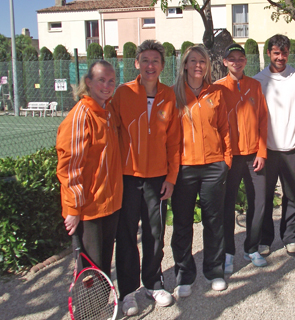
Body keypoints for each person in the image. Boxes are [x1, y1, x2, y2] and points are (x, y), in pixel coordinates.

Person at [112, 40, 181, 316]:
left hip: (157, 178)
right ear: (136, 63)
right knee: (126, 234)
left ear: (162, 66)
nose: (150, 65)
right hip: (128, 177)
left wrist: (172, 177)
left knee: (155, 233)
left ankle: (153, 283)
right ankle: (127, 292)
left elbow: (174, 141)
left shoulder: (169, 95)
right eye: (145, 60)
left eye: (155, 60)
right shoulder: (122, 93)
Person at [171, 45, 232, 296]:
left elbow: (224, 128)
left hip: (213, 167)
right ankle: (184, 275)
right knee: (183, 224)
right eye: (193, 61)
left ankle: (214, 270)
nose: (198, 65)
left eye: (202, 61)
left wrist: (226, 160)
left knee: (214, 221)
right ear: (184, 64)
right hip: (184, 169)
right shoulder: (173, 94)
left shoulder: (216, 92)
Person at [56, 60, 122, 279]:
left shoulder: (107, 111)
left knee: (103, 265)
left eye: (111, 80)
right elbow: (69, 168)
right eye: (101, 80)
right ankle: (89, 311)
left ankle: (102, 308)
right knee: (89, 272)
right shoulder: (80, 116)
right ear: (88, 82)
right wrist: (73, 209)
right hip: (88, 209)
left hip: (109, 205)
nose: (107, 85)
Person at [253, 34, 295, 256]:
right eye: (276, 52)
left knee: (292, 195)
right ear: (269, 53)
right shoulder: (259, 80)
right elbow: (256, 116)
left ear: (288, 53)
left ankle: (290, 238)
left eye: (284, 53)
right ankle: (265, 239)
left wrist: (293, 130)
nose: (280, 57)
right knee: (265, 197)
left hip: (292, 148)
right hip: (266, 150)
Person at [215, 43, 269, 273]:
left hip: (254, 155)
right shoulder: (217, 88)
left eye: (240, 58)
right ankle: (228, 252)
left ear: (246, 61)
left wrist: (262, 151)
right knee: (227, 206)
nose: (236, 62)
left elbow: (264, 120)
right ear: (225, 62)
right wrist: (222, 156)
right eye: (232, 59)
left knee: (259, 202)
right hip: (230, 157)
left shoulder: (255, 86)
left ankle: (252, 247)